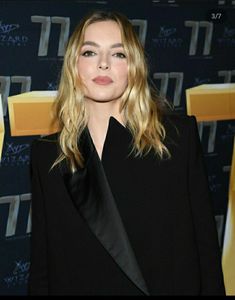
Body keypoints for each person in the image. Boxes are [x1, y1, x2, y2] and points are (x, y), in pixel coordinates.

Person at [28, 10, 225, 296]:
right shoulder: (48, 155)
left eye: (118, 54)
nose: (104, 64)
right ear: (73, 65)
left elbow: (206, 253)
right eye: (90, 52)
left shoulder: (175, 140)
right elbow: (43, 267)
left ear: (134, 66)